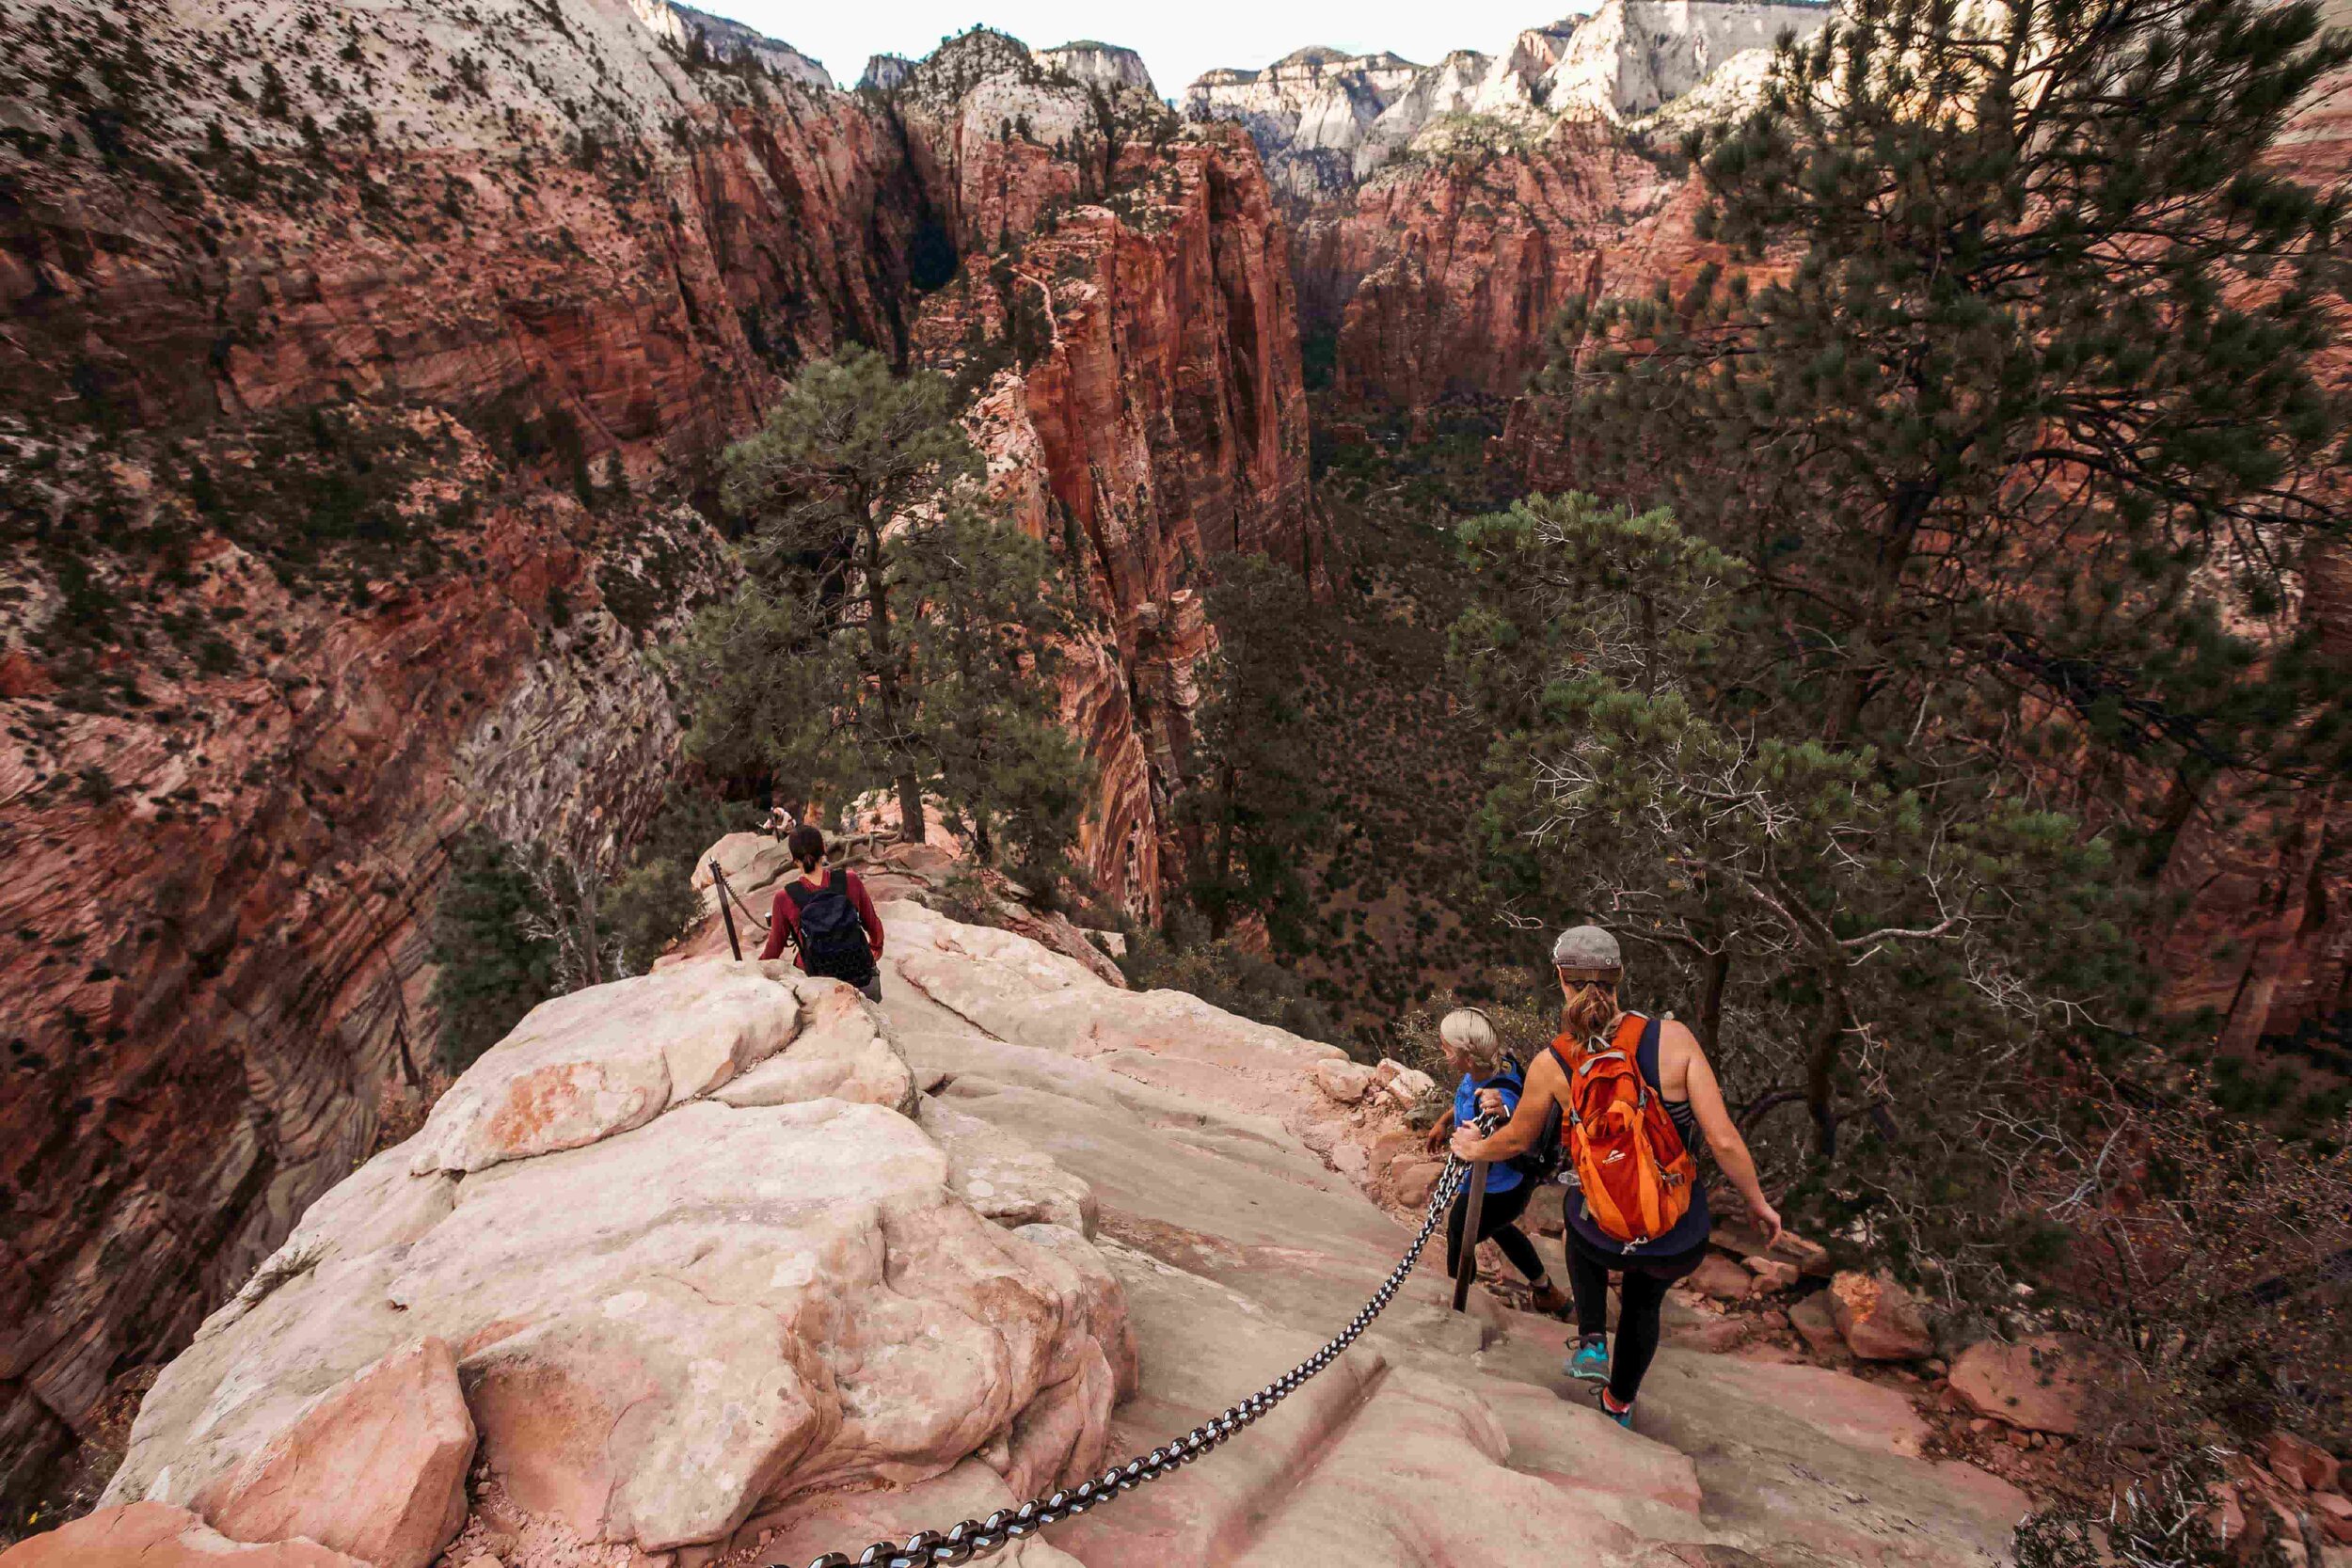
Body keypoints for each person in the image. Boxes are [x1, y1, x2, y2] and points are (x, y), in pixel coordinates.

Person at [1451, 925, 1782, 1430]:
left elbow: (1516, 1139)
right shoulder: (1673, 1041)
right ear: (1619, 976)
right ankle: (1619, 1405)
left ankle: (1590, 1342)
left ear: (1561, 979)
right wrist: (1758, 1202)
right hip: (1674, 1230)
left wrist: (1475, 1147)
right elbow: (1724, 1141)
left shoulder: (1553, 1061)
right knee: (1643, 1304)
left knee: (1576, 1210)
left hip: (1602, 1233)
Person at [1423, 1008, 1572, 1315]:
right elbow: (1468, 1099)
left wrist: (1499, 1108)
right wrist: (1444, 1121)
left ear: (1465, 1056)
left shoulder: (1497, 1092)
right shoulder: (1491, 1064)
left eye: (1446, 1046)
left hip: (1500, 1189)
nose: (1442, 1050)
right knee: (1497, 1228)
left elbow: (1504, 1105)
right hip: (1497, 1184)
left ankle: (1460, 1303)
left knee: (1459, 1232)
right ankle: (1545, 1290)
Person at [759, 825, 884, 1002]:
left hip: (820, 987)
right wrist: (876, 948)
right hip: (863, 981)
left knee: (799, 966)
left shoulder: (785, 898)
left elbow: (773, 951)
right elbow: (873, 926)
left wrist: (753, 971)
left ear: (794, 860)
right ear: (824, 850)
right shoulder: (850, 880)